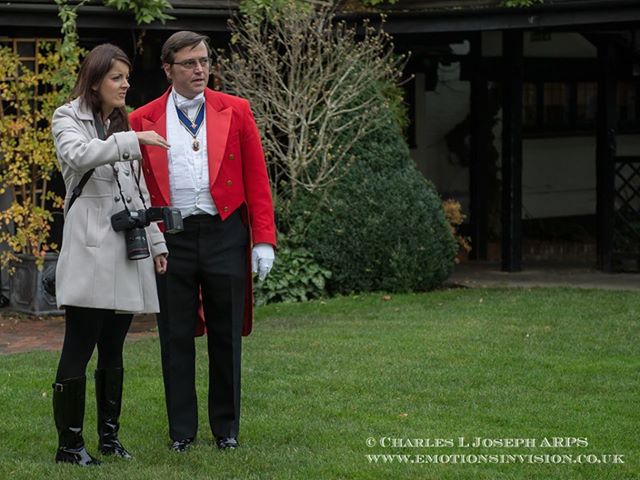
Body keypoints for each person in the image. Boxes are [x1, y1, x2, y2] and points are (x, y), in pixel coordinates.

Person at [129, 31, 276, 452]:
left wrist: (262, 239)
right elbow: (137, 185)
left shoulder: (237, 110)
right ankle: (181, 431)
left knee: (226, 332)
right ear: (168, 69)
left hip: (224, 231)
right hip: (170, 235)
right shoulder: (143, 119)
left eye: (204, 61)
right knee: (174, 334)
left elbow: (257, 179)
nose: (200, 69)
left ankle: (226, 429)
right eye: (190, 63)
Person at [50, 43, 170, 466]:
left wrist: (157, 242)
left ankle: (109, 440)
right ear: (96, 79)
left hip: (125, 247)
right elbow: (77, 156)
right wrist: (130, 137)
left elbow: (137, 190)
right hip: (88, 247)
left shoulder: (118, 123)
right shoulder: (68, 117)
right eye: (117, 77)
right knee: (79, 345)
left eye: (127, 77)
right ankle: (69, 446)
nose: (125, 84)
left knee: (115, 348)